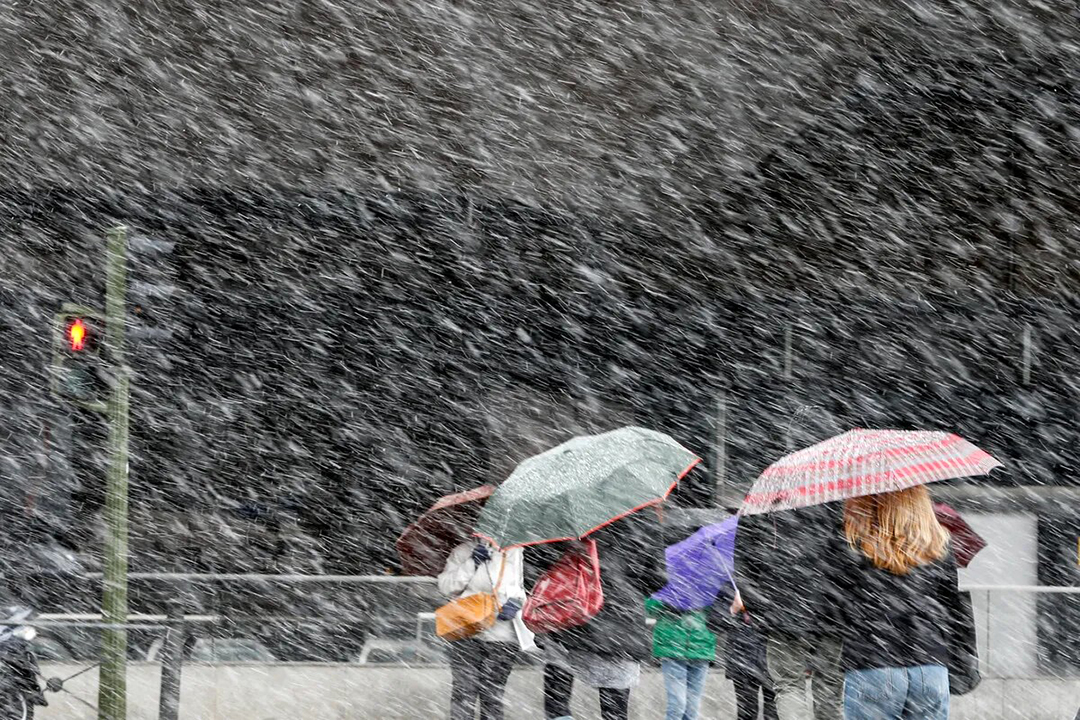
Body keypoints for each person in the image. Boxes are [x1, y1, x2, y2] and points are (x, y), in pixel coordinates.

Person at [830, 485, 961, 720]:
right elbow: (954, 607)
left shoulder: (850, 542)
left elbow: (834, 603)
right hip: (929, 664)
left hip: (872, 661)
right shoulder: (938, 544)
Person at [534, 510, 668, 720]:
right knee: (614, 710)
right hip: (621, 625)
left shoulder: (569, 512)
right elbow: (657, 578)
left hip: (571, 618)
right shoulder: (643, 516)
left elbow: (542, 563)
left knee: (557, 704)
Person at [733, 504, 845, 720]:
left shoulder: (759, 510)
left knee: (788, 685)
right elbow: (847, 561)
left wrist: (763, 605)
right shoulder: (833, 505)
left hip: (783, 614)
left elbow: (742, 571)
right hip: (830, 612)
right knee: (830, 685)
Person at [437, 537, 534, 720]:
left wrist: (517, 601)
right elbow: (445, 587)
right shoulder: (463, 551)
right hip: (465, 632)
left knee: (493, 697)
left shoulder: (514, 551)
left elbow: (518, 586)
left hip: (502, 636)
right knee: (464, 693)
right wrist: (472, 562)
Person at [644, 595, 716, 720]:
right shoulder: (664, 581)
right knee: (677, 705)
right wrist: (670, 601)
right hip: (672, 649)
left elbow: (719, 613)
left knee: (692, 709)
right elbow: (650, 607)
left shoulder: (708, 581)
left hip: (701, 648)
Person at [722, 594, 779, 720]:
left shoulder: (776, 584)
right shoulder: (734, 586)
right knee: (747, 712)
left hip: (770, 656)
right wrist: (732, 610)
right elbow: (715, 620)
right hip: (743, 657)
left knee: (773, 712)